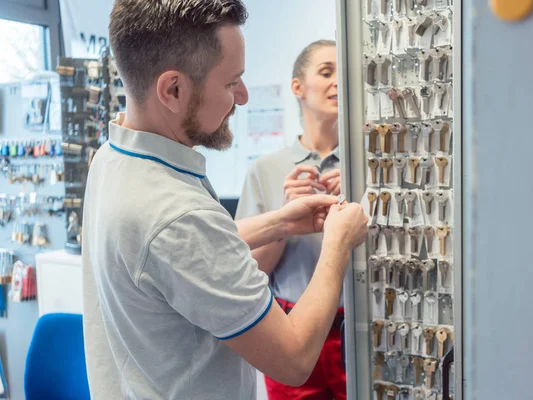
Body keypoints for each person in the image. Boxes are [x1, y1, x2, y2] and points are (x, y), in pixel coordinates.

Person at [81, 1, 368, 399]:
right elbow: (295, 358)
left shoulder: (112, 158)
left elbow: (172, 254)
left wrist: (279, 222)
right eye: (232, 82)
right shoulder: (178, 214)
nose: (244, 97)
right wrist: (338, 241)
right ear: (173, 90)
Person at [236, 40, 346, 400]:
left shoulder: (369, 167)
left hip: (359, 333)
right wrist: (282, 220)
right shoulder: (265, 171)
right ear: (298, 87)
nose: (337, 83)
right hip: (291, 329)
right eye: (326, 72)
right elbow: (252, 272)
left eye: (342, 73)